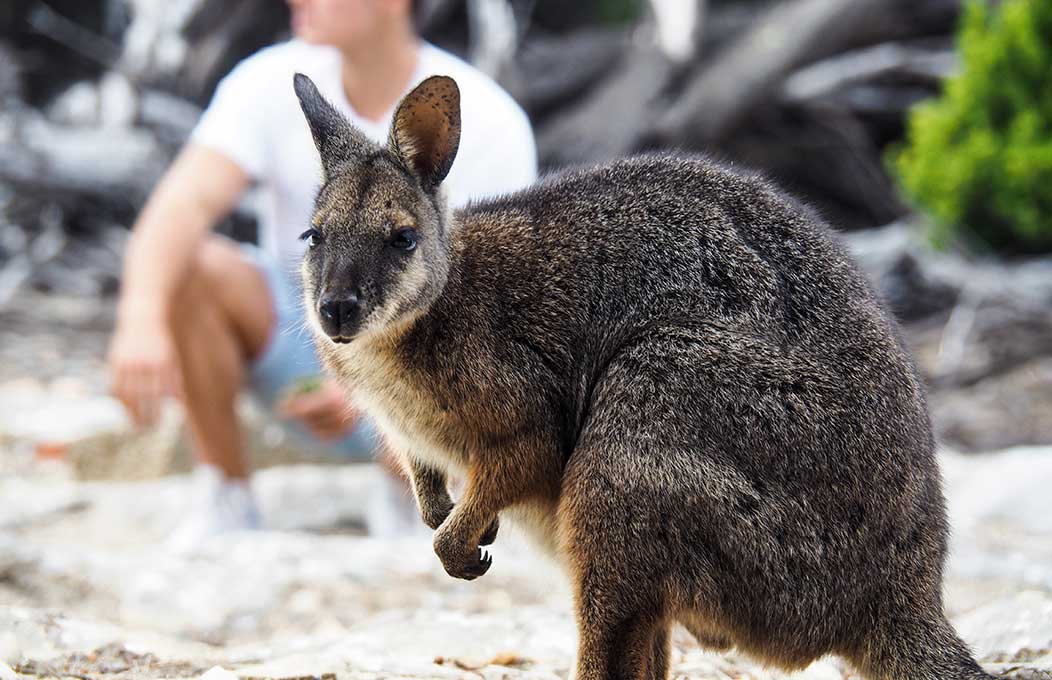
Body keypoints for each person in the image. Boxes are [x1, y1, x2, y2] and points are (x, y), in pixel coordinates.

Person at [107, 0, 537, 548]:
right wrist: (141, 321)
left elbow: (494, 294)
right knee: (197, 265)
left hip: (421, 365)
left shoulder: (488, 119)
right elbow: (180, 207)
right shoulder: (270, 80)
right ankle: (225, 498)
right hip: (308, 336)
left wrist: (370, 372)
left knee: (456, 321)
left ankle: (410, 498)